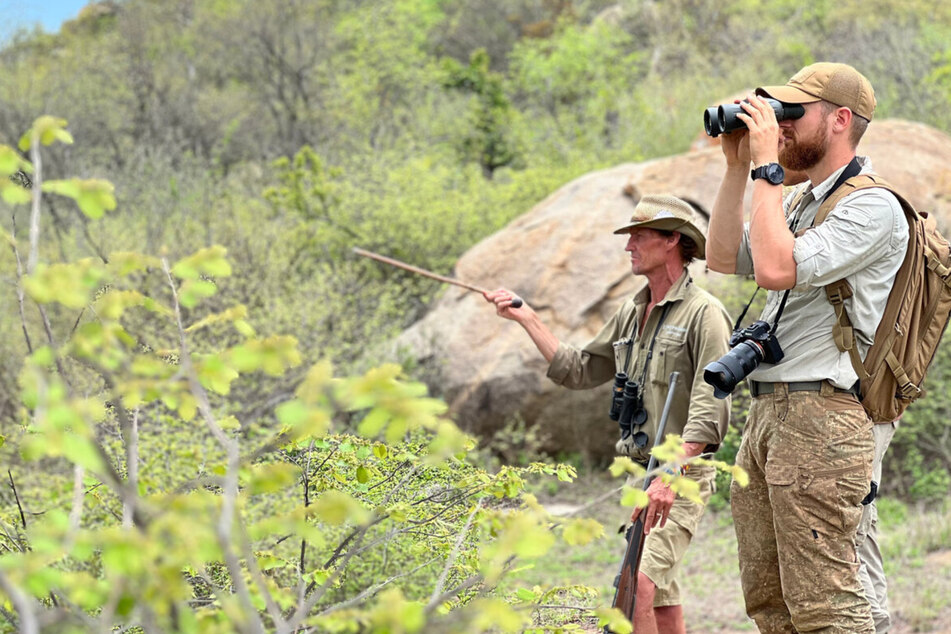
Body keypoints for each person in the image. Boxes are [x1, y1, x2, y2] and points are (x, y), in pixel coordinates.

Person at [706, 62, 908, 633]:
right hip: (772, 413)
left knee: (826, 606)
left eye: (794, 113)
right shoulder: (797, 202)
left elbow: (773, 267)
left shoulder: (872, 207)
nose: (782, 124)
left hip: (825, 415)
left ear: (841, 120)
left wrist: (769, 167)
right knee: (771, 605)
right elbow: (724, 258)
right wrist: (736, 168)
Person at [486, 194, 732, 633]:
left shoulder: (705, 314)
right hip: (641, 474)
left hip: (679, 475)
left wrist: (670, 477)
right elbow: (579, 369)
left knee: (636, 587)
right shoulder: (631, 311)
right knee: (661, 601)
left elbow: (711, 404)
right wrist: (527, 318)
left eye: (639, 236)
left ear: (673, 240)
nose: (629, 247)